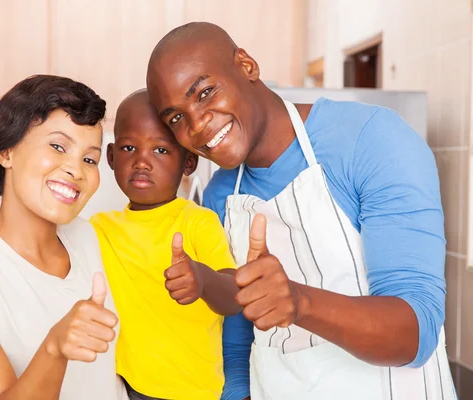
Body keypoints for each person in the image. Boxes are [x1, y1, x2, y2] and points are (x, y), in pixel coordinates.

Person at [145, 22, 455, 400]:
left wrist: (299, 302)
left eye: (206, 93)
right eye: (176, 117)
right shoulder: (220, 195)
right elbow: (240, 335)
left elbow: (416, 334)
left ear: (246, 66)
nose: (196, 126)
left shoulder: (373, 140)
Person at [0, 89, 241, 400]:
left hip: (193, 391)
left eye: (161, 151)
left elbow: (234, 296)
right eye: (129, 148)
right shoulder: (96, 231)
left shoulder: (197, 222)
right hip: (131, 388)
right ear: (113, 158)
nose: (142, 162)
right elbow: (25, 235)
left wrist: (203, 279)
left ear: (189, 163)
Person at [0, 75, 128, 399]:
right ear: (7, 152)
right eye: (58, 146)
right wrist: (55, 348)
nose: (76, 169)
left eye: (90, 158)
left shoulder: (89, 238)